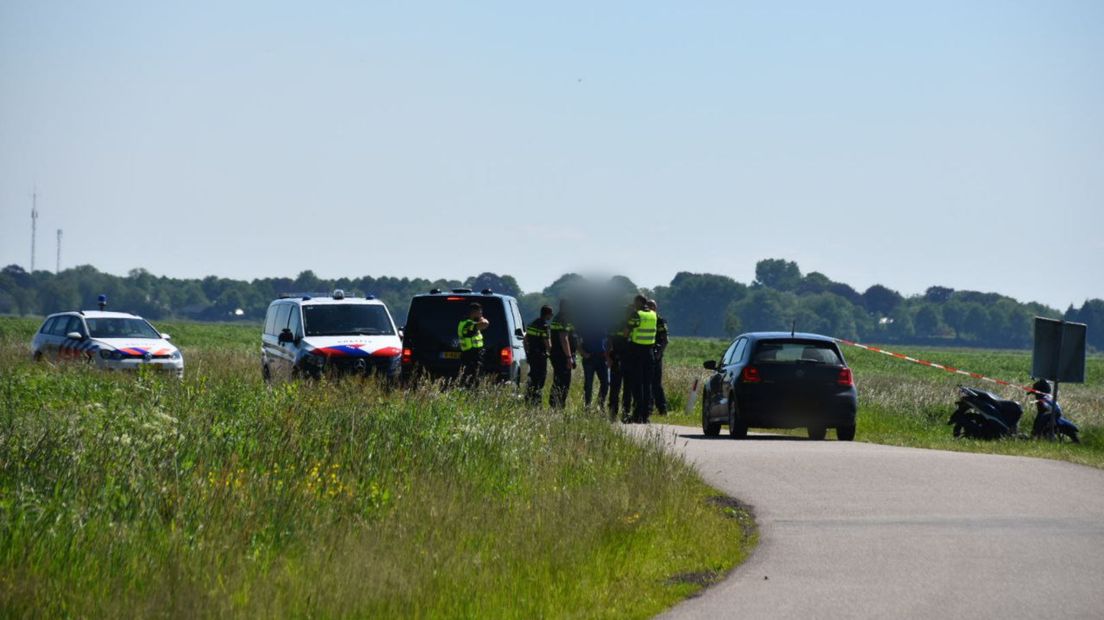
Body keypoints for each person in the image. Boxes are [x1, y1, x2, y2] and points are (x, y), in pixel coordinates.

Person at [626, 294, 657, 423]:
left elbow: (626, 332)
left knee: (637, 384)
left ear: (639, 302)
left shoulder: (636, 314)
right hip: (649, 352)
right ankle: (646, 415)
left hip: (637, 351)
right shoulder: (653, 315)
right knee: (647, 385)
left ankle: (637, 414)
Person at [524, 305, 554, 406]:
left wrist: (527, 351)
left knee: (532, 377)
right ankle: (536, 401)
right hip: (540, 356)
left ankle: (528, 398)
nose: (552, 315)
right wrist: (552, 354)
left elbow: (525, 339)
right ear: (547, 314)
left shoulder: (532, 324)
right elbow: (547, 343)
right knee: (540, 379)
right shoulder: (544, 326)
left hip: (532, 355)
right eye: (551, 313)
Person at [548, 300, 576, 408]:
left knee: (558, 379)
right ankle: (558, 404)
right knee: (564, 381)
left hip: (556, 354)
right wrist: (569, 357)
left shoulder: (557, 318)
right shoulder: (563, 319)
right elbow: (564, 338)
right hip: (562, 356)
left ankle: (554, 404)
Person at [457, 302, 489, 388]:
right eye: (480, 312)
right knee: (472, 378)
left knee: (474, 377)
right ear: (474, 312)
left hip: (472, 354)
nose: (481, 314)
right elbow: (485, 324)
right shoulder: (468, 324)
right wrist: (482, 319)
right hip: (471, 355)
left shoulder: (470, 322)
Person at [579, 322, 609, 409]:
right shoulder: (585, 327)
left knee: (605, 383)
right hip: (589, 358)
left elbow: (609, 342)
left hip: (601, 358)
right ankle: (587, 407)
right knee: (588, 385)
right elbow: (578, 342)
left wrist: (607, 355)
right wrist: (584, 354)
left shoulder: (604, 327)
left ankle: (600, 405)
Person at [647, 299, 669, 415]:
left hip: (656, 355)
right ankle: (648, 408)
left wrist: (658, 354)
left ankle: (662, 409)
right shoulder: (643, 319)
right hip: (645, 355)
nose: (650, 308)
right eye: (648, 306)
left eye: (652, 306)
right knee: (646, 383)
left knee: (656, 384)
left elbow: (665, 340)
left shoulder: (659, 321)